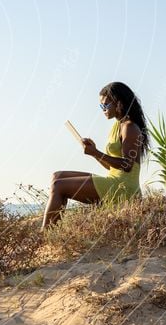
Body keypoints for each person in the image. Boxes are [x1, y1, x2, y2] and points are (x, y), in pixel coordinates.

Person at [41, 81, 150, 230]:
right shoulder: (117, 126)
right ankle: (51, 231)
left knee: (58, 186)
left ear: (118, 103)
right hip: (114, 180)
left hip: (124, 189)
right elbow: (111, 166)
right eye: (101, 106)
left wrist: (97, 153)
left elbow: (127, 165)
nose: (103, 109)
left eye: (105, 105)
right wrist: (94, 153)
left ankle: (46, 235)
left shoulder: (130, 127)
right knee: (57, 176)